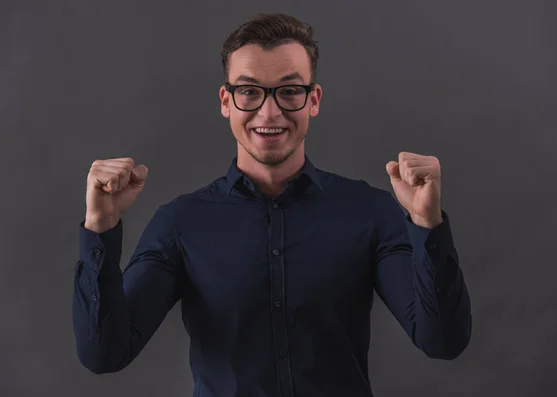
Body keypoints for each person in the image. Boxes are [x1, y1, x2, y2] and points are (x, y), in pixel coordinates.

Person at [72, 12, 472, 397]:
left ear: (313, 100)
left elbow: (442, 341)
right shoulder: (179, 223)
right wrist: (100, 228)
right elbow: (105, 354)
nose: (269, 111)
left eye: (289, 90)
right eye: (249, 91)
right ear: (226, 101)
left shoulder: (369, 212)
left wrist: (426, 223)